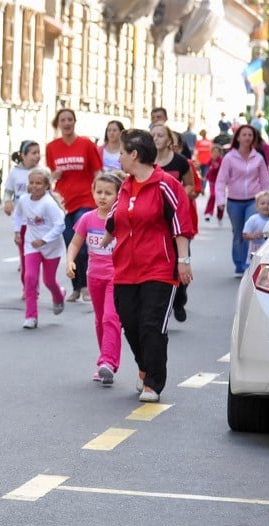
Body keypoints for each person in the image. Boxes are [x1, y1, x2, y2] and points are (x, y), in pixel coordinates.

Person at [103, 128, 194, 403]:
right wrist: (97, 241)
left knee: (151, 326)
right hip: (125, 269)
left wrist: (183, 261)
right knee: (130, 323)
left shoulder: (166, 184)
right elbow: (113, 218)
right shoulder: (126, 185)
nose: (118, 158)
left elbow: (180, 226)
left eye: (121, 153)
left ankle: (153, 382)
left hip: (159, 267)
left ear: (134, 154)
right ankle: (144, 366)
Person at [66, 171, 124, 386]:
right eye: (99, 191)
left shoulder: (120, 219)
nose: (102, 197)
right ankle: (104, 365)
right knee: (100, 321)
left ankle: (108, 361)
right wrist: (69, 261)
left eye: (108, 193)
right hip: (94, 277)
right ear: (92, 192)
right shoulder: (87, 218)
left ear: (118, 195)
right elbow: (74, 244)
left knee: (111, 318)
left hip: (115, 278)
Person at [46, 108, 102, 303]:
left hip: (85, 199)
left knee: (83, 245)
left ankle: (86, 286)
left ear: (75, 122)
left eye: (70, 119)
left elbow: (97, 173)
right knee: (71, 244)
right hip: (62, 202)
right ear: (58, 124)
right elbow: (51, 175)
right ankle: (76, 288)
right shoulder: (52, 147)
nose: (67, 123)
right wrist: (54, 176)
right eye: (63, 120)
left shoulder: (86, 144)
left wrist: (101, 195)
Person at [214, 124, 269, 276]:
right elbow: (221, 180)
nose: (247, 137)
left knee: (250, 230)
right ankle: (239, 264)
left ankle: (249, 264)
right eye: (244, 134)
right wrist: (220, 200)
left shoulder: (258, 158)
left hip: (253, 201)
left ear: (253, 138)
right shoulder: (229, 157)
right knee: (238, 233)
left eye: (250, 135)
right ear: (238, 138)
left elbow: (265, 181)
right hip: (234, 201)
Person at [13, 168, 66, 330]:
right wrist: (17, 232)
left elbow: (60, 225)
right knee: (30, 277)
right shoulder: (23, 200)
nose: (34, 186)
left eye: (39, 183)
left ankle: (58, 296)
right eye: (32, 183)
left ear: (46, 186)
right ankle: (31, 316)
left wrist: (44, 240)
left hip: (51, 247)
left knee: (48, 281)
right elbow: (17, 215)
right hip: (31, 245)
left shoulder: (49, 204)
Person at [154, 124, 197, 322]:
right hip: (155, 220)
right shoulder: (147, 162)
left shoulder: (180, 162)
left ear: (169, 140)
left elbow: (190, 185)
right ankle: (163, 305)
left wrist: (181, 195)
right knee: (161, 263)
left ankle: (180, 298)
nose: (156, 138)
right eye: (152, 135)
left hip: (177, 219)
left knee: (181, 258)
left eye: (160, 135)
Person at [3, 140, 41, 298]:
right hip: (22, 223)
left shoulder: (42, 172)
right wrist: (7, 202)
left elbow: (49, 195)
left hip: (39, 224)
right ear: (23, 155)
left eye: (39, 152)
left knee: (35, 258)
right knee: (25, 258)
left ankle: (34, 286)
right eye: (33, 153)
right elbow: (8, 191)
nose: (37, 156)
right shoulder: (15, 173)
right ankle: (27, 287)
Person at [242, 191, 269, 258]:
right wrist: (254, 236)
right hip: (255, 252)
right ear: (256, 206)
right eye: (262, 203)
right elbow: (244, 234)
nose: (266, 206)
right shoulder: (253, 219)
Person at [204, 144, 224, 224]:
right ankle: (208, 213)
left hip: (220, 182)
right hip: (212, 181)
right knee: (213, 195)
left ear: (220, 153)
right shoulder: (210, 160)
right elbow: (209, 169)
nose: (215, 154)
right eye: (213, 152)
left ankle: (220, 215)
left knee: (220, 199)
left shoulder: (222, 161)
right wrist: (206, 176)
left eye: (216, 152)